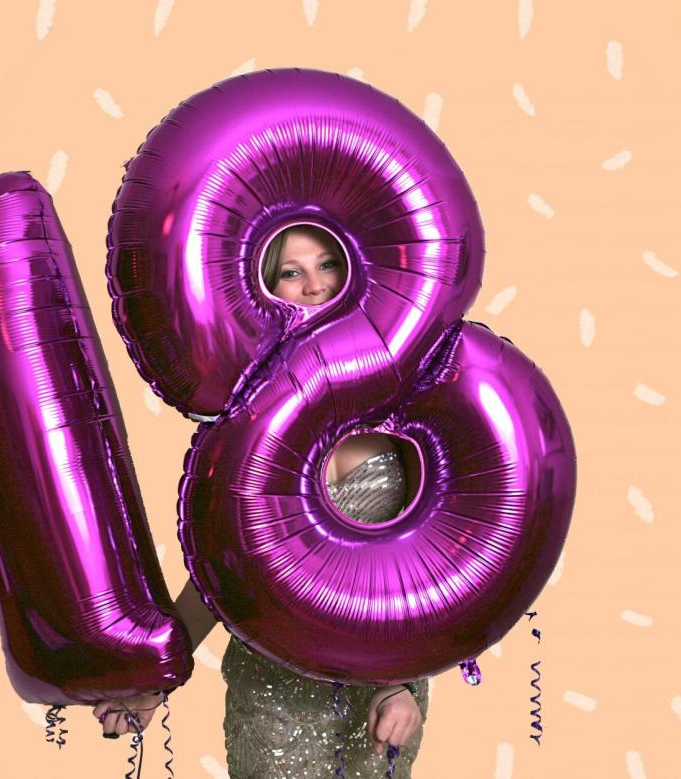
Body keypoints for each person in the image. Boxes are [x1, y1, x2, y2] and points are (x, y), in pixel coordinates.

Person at [94, 225, 430, 777]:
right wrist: (157, 680)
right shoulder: (247, 419)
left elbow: (435, 565)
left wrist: (404, 682)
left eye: (328, 265)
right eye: (292, 273)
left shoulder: (408, 400)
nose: (315, 286)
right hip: (272, 700)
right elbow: (224, 575)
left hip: (384, 700)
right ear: (267, 292)